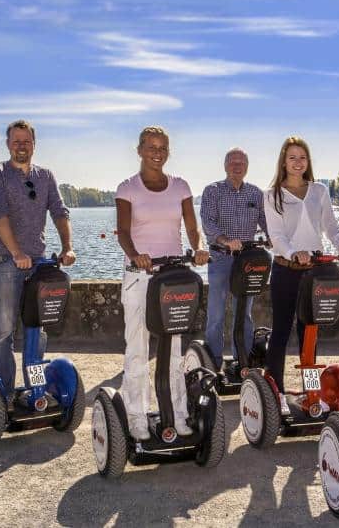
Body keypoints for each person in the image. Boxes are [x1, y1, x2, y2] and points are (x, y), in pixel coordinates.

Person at [115, 126, 210, 440]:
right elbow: (123, 232)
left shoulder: (180, 186)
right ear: (140, 150)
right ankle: (136, 416)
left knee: (174, 353)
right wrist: (135, 255)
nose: (157, 153)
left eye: (163, 148)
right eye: (151, 147)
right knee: (137, 349)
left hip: (172, 278)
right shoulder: (127, 188)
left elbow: (192, 228)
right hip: (140, 276)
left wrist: (198, 248)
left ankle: (177, 413)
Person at [0, 119, 76, 404]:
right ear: (8, 144)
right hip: (5, 260)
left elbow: (59, 211)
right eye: (16, 141)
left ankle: (35, 390)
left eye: (26, 141)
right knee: (4, 331)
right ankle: (5, 396)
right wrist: (16, 253)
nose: (21, 146)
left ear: (34, 144)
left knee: (37, 330)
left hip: (38, 262)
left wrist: (67, 248)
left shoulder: (45, 175)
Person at [264, 136, 339, 414]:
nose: (298, 162)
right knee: (281, 331)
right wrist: (294, 253)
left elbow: (331, 225)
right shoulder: (272, 195)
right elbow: (276, 235)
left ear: (308, 162)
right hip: (286, 269)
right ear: (283, 162)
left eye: (302, 157)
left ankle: (311, 392)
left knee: (309, 334)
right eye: (292, 157)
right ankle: (277, 393)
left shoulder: (319, 191)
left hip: (314, 271)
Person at [200, 147, 268, 372]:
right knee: (216, 314)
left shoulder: (256, 194)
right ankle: (213, 363)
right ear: (225, 165)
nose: (237, 166)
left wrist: (273, 239)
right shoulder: (213, 191)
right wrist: (225, 240)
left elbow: (266, 221)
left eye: (241, 163)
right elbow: (208, 222)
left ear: (247, 166)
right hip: (221, 258)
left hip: (247, 263)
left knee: (244, 314)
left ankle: (243, 363)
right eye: (233, 162)